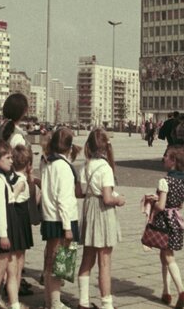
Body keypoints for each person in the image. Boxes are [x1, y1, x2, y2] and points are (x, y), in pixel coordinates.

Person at [77, 128, 126, 309]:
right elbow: (107, 197)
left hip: (89, 209)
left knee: (87, 259)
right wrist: (118, 199)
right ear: (106, 147)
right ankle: (106, 303)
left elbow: (80, 192)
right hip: (103, 212)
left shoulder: (85, 166)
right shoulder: (105, 167)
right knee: (104, 261)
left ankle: (83, 301)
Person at [0, 141, 33, 309]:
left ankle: (15, 305)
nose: (12, 161)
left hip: (7, 227)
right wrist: (3, 234)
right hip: (1, 230)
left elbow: (9, 198)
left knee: (12, 270)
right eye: (8, 158)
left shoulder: (2, 178)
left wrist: (18, 188)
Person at [41, 127, 83, 309]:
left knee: (50, 262)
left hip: (50, 218)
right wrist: (67, 227)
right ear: (69, 146)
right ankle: (56, 303)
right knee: (61, 263)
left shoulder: (48, 164)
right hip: (62, 221)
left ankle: (50, 300)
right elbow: (64, 199)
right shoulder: (64, 168)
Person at [145, 146, 184, 309]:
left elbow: (161, 206)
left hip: (164, 223)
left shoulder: (165, 181)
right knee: (164, 255)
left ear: (173, 161)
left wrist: (152, 201)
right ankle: (166, 291)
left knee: (168, 257)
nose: (164, 159)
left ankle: (181, 291)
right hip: (177, 221)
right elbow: (181, 204)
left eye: (166, 157)